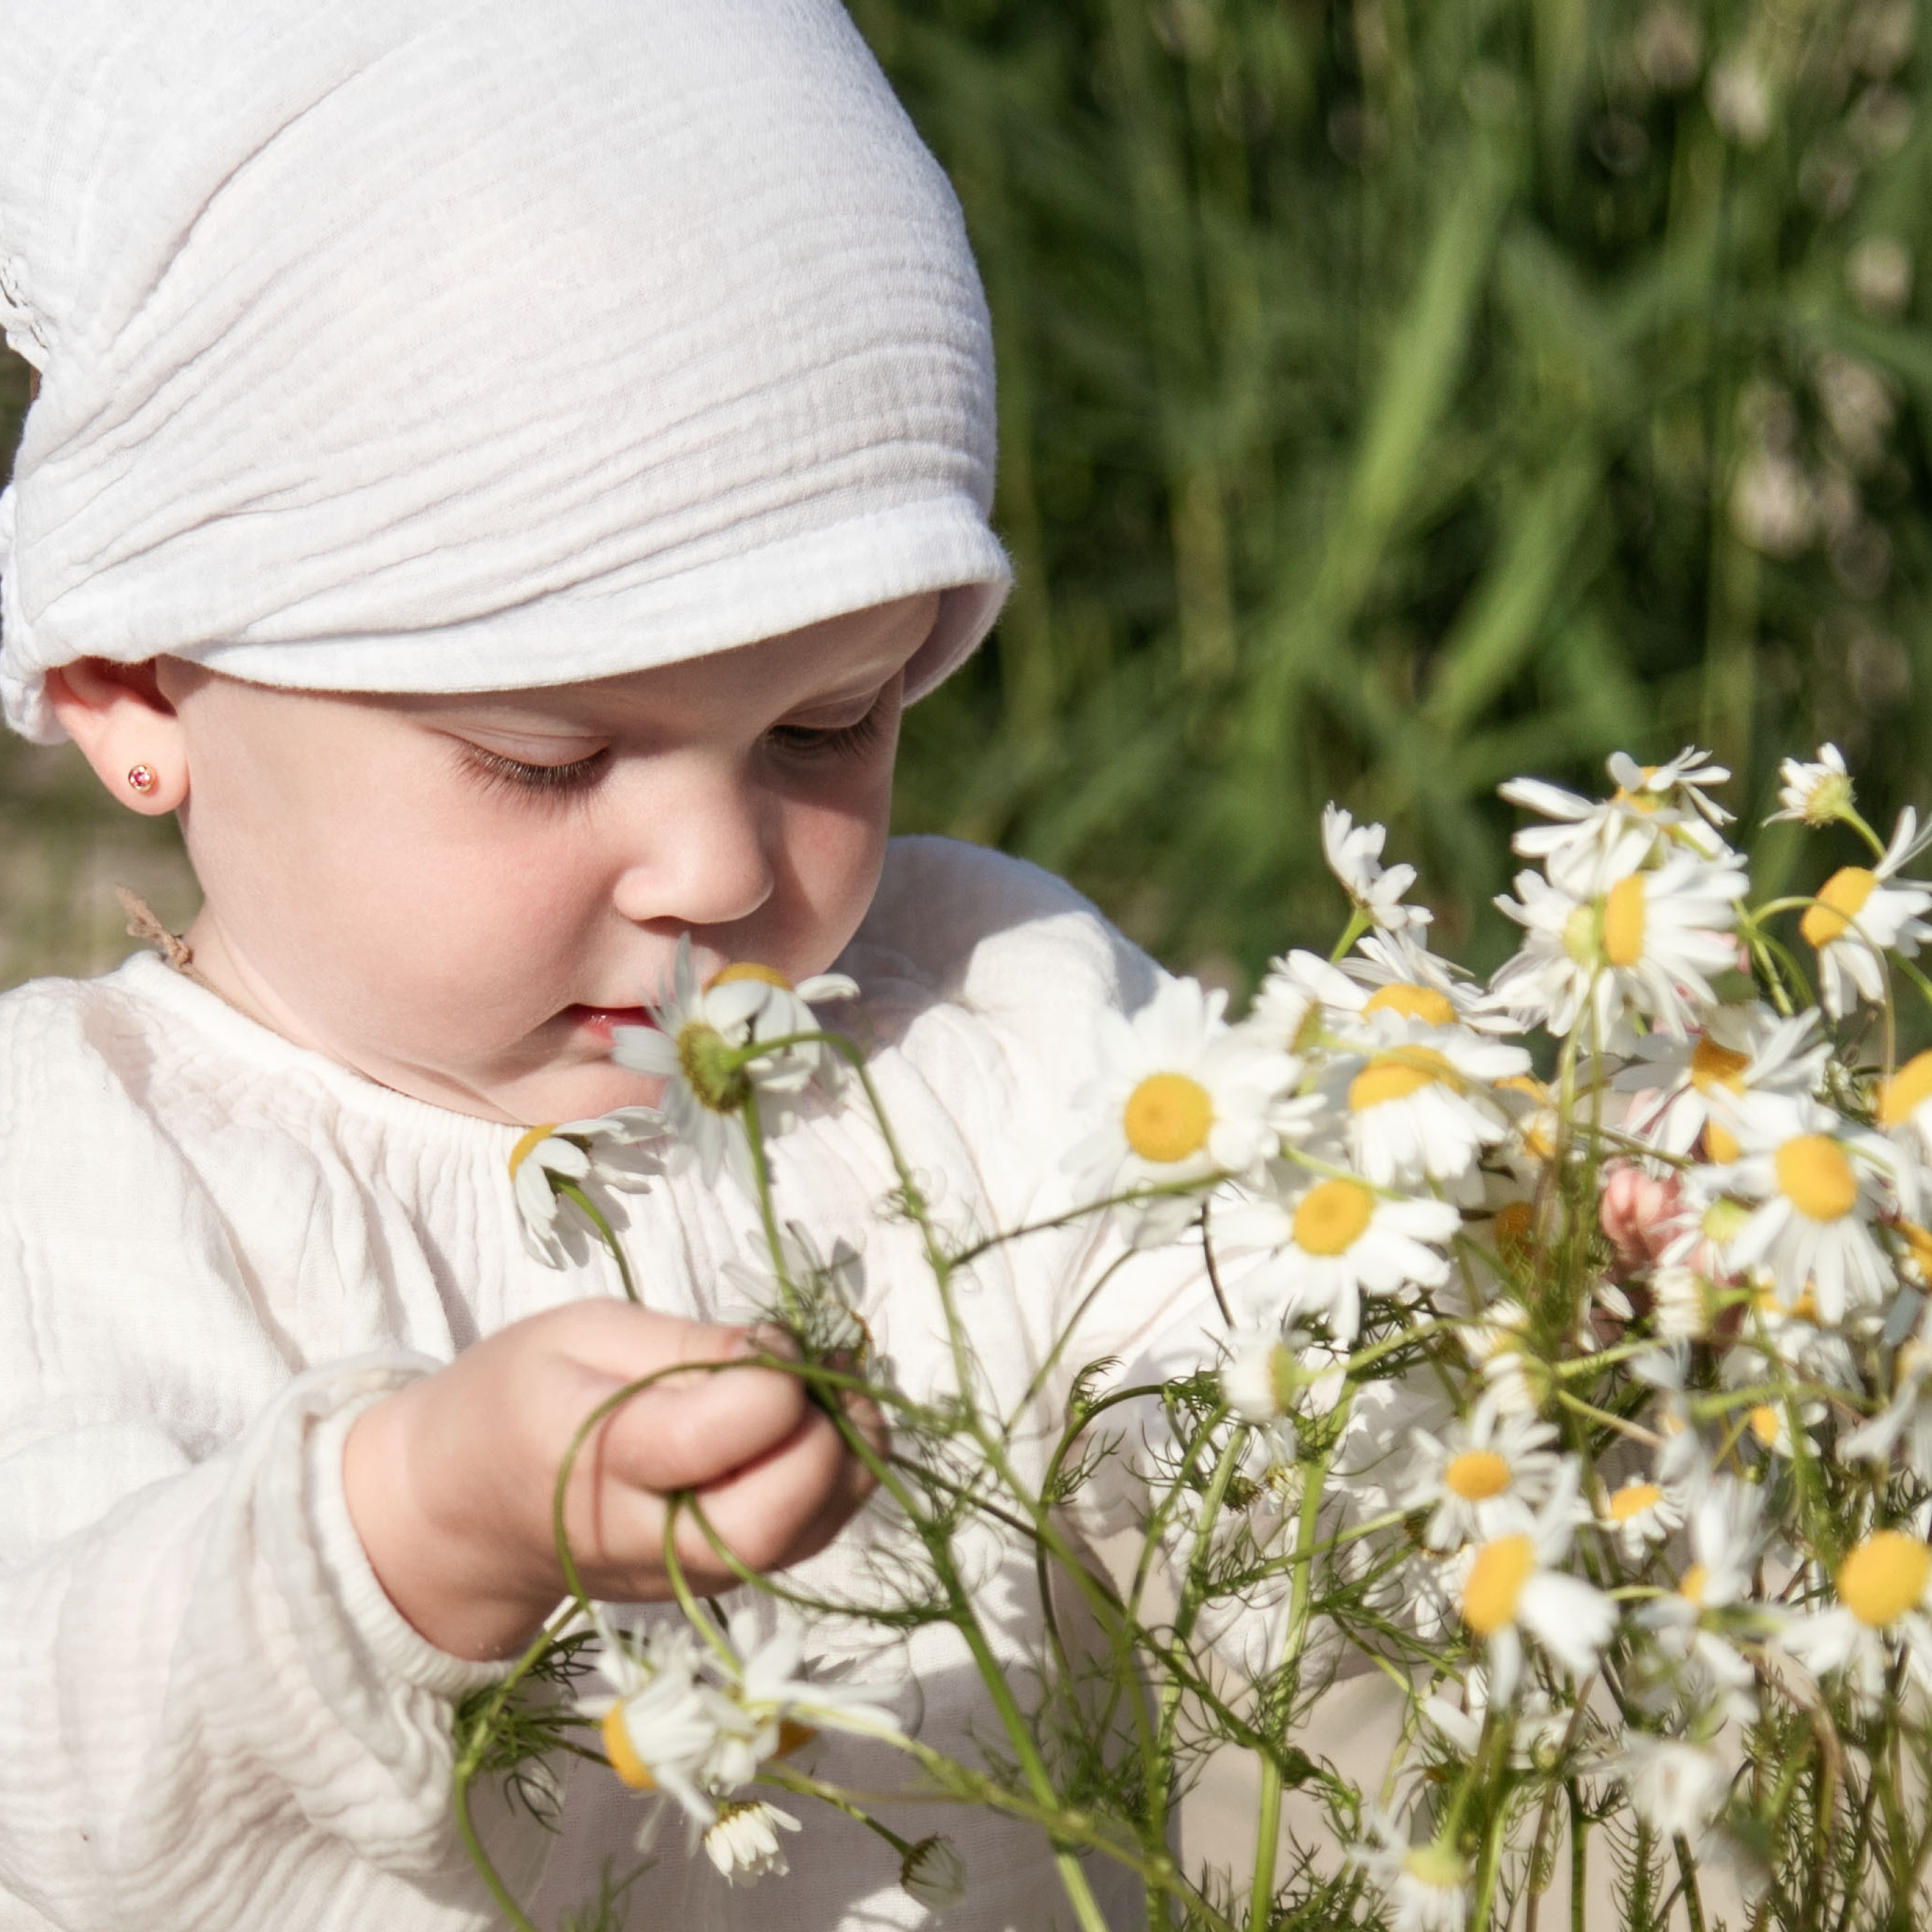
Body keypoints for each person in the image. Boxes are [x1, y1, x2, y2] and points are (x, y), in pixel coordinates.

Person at [0, 4, 1203, 1927]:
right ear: (139, 686)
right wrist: (426, 1521)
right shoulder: (77, 1174)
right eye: (544, 758)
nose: (721, 865)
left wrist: (1561, 1217)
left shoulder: (969, 1015)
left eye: (831, 724)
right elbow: (54, 1766)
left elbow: (1270, 1291)